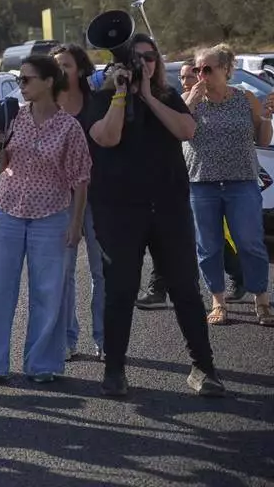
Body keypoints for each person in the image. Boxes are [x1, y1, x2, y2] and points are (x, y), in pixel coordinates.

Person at [87, 34, 224, 397]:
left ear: (158, 62)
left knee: (185, 289)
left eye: (149, 57)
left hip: (168, 208)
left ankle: (203, 367)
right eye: (136, 58)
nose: (144, 64)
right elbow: (107, 137)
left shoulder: (167, 95)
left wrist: (148, 96)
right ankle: (115, 370)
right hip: (119, 211)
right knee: (120, 291)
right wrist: (121, 93)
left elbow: (187, 129)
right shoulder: (101, 99)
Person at [0, 56, 91, 384]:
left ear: (49, 81)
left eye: (27, 79)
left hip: (52, 216)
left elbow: (81, 179)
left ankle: (43, 365)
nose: (21, 85)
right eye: (20, 79)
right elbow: (3, 165)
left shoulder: (69, 127)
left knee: (49, 293)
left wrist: (76, 224)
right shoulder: (12, 115)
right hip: (7, 212)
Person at [138, 62, 247, 306]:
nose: (187, 81)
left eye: (191, 76)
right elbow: (171, 129)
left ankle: (238, 275)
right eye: (183, 77)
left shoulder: (211, 102)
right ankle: (159, 289)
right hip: (174, 178)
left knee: (209, 236)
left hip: (203, 179)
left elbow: (190, 130)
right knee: (165, 235)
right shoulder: (179, 101)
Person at [181, 45, 273, 327]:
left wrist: (267, 117)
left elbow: (262, 139)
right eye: (197, 69)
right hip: (201, 184)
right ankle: (218, 301)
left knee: (250, 242)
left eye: (207, 69)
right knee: (208, 246)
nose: (201, 75)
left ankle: (261, 299)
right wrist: (191, 102)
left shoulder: (245, 99)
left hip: (241, 181)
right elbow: (178, 132)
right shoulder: (188, 100)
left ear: (225, 70)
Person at [52, 43, 105, 360]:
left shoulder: (97, 103)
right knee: (63, 272)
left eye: (66, 65)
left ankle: (105, 339)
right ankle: (67, 339)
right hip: (59, 199)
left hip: (99, 196)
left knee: (102, 271)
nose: (60, 70)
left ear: (81, 70)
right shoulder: (45, 106)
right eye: (56, 65)